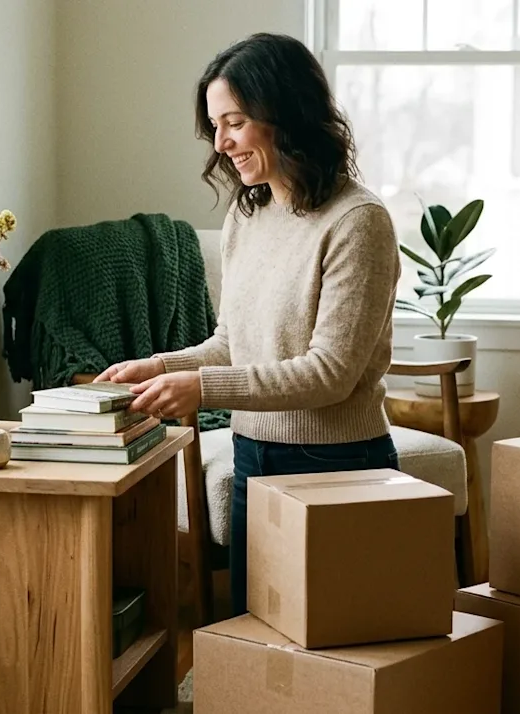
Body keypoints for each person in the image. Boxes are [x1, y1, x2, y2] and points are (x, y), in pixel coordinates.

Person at [94, 32, 400, 616]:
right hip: (252, 452)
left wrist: (202, 388)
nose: (221, 141)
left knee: (334, 658)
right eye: (215, 125)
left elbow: (330, 374)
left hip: (339, 464)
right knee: (256, 643)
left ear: (284, 115)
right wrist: (162, 367)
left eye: (234, 121)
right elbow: (232, 344)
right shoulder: (247, 213)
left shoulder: (359, 222)